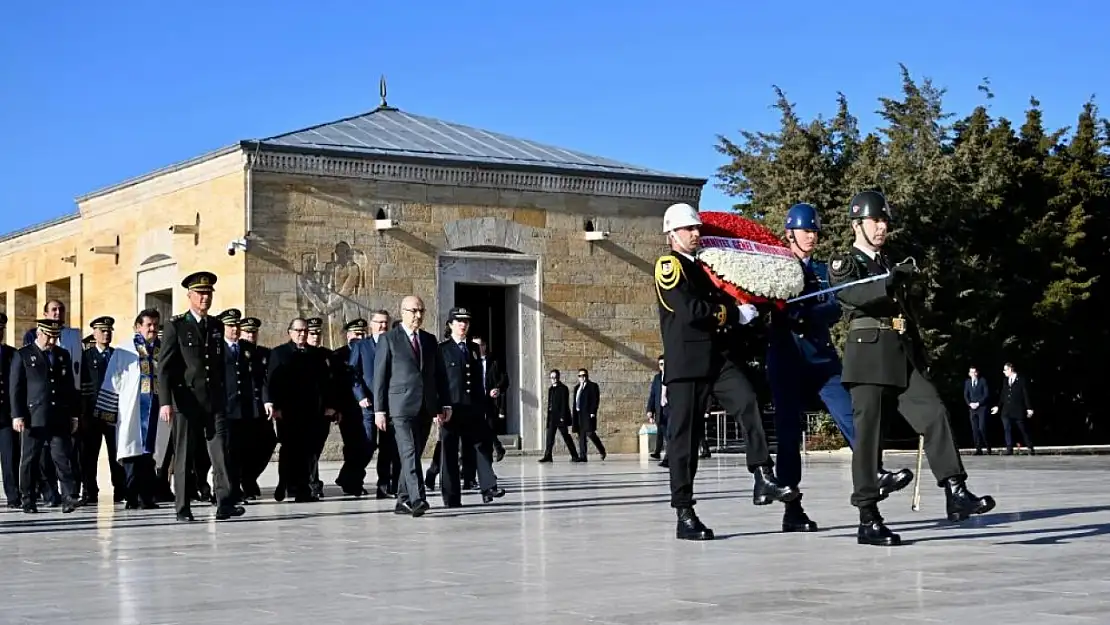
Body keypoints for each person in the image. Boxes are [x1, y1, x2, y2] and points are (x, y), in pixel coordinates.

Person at [828, 190, 995, 546]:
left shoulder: (889, 263)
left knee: (934, 412)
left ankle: (955, 489)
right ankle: (868, 516)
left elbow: (905, 316)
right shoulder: (846, 262)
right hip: (869, 357)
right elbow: (852, 295)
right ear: (858, 224)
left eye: (885, 221)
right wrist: (889, 281)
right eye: (876, 221)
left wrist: (921, 355)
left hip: (901, 356)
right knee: (869, 437)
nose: (882, 227)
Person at [655, 202, 797, 541]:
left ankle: (763, 475)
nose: (696, 233)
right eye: (688, 229)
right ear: (672, 234)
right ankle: (684, 511)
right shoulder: (669, 266)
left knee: (748, 403)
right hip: (688, 364)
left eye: (696, 228)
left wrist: (750, 312)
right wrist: (733, 315)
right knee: (684, 441)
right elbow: (690, 310)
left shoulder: (707, 267)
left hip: (718, 359)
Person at [767, 203, 911, 532]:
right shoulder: (775, 268)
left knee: (853, 418)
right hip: (787, 359)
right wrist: (788, 313)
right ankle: (793, 509)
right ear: (790, 233)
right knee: (789, 437)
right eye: (806, 231)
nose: (812, 237)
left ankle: (873, 473)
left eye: (815, 231)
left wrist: (807, 314)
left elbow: (837, 305)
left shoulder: (820, 269)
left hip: (821, 360)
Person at [157, 271, 244, 522]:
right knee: (184, 455)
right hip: (187, 401)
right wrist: (166, 401)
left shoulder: (216, 325)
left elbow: (217, 364)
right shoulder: (176, 326)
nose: (205, 298)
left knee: (220, 452)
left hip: (213, 400)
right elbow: (165, 367)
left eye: (208, 294)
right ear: (190, 296)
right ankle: (182, 506)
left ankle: (224, 501)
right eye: (200, 294)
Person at [372, 295, 450, 517]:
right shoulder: (389, 339)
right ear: (403, 312)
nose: (418, 315)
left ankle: (402, 499)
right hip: (400, 407)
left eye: (421, 311)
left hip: (425, 406)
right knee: (408, 452)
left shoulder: (429, 339)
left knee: (414, 452)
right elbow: (380, 377)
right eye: (414, 311)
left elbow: (439, 375)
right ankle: (418, 499)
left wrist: (444, 403)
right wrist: (379, 410)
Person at [434, 307, 505, 506]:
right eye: (459, 321)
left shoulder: (473, 349)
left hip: (472, 407)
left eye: (466, 321)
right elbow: (437, 380)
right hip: (451, 408)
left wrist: (483, 405)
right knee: (449, 452)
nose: (463, 325)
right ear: (450, 325)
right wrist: (437, 408)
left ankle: (489, 486)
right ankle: (451, 497)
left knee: (481, 446)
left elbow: (476, 381)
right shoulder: (442, 349)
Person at [10, 319, 81, 513]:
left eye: (55, 336)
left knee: (62, 458)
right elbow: (15, 388)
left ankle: (68, 497)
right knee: (30, 460)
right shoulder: (23, 355)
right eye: (49, 336)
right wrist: (17, 415)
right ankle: (28, 499)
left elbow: (69, 387)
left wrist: (74, 415)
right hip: (34, 417)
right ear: (39, 333)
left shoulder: (62, 355)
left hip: (58, 415)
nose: (52, 340)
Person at [96, 310, 164, 509]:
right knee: (131, 453)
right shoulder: (124, 351)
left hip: (157, 411)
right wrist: (108, 413)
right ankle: (132, 496)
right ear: (138, 326)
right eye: (148, 325)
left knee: (151, 454)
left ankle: (148, 497)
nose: (152, 329)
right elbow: (112, 380)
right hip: (131, 412)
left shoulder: (163, 350)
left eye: (155, 325)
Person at [992, 363, 1034, 455]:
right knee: (1007, 428)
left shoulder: (1021, 379)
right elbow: (1003, 394)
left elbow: (1025, 394)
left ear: (1010, 369)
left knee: (1022, 428)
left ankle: (1030, 446)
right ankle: (1009, 448)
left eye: (1005, 370)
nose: (1004, 372)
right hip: (1006, 410)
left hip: (1017, 409)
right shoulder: (1005, 380)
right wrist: (998, 406)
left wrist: (1029, 408)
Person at [964, 366, 991, 455]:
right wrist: (969, 403)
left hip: (981, 408)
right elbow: (966, 395)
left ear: (977, 373)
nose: (973, 374)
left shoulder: (982, 381)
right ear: (969, 374)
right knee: (974, 429)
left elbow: (986, 394)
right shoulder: (967, 382)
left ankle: (988, 446)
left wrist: (978, 403)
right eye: (971, 372)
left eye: (974, 372)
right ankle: (978, 449)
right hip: (972, 408)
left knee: (982, 428)